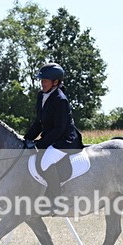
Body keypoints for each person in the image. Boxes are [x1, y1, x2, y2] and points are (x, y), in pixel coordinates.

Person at [23, 62, 83, 201]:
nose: (42, 83)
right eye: (41, 80)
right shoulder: (41, 96)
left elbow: (59, 129)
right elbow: (39, 122)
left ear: (55, 82)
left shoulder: (60, 100)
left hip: (65, 140)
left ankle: (56, 200)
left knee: (46, 162)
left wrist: (39, 145)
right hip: (52, 138)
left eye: (45, 80)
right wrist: (26, 139)